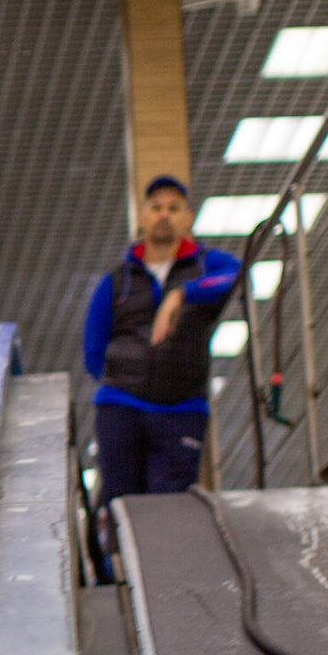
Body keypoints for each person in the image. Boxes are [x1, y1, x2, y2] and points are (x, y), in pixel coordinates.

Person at [83, 176, 241, 510]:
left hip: (182, 410)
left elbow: (235, 276)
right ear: (143, 216)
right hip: (121, 408)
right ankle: (117, 564)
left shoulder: (206, 265)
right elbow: (93, 349)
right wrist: (125, 385)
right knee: (120, 507)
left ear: (188, 218)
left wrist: (183, 293)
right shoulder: (117, 280)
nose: (164, 215)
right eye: (156, 207)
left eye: (173, 208)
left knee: (171, 511)